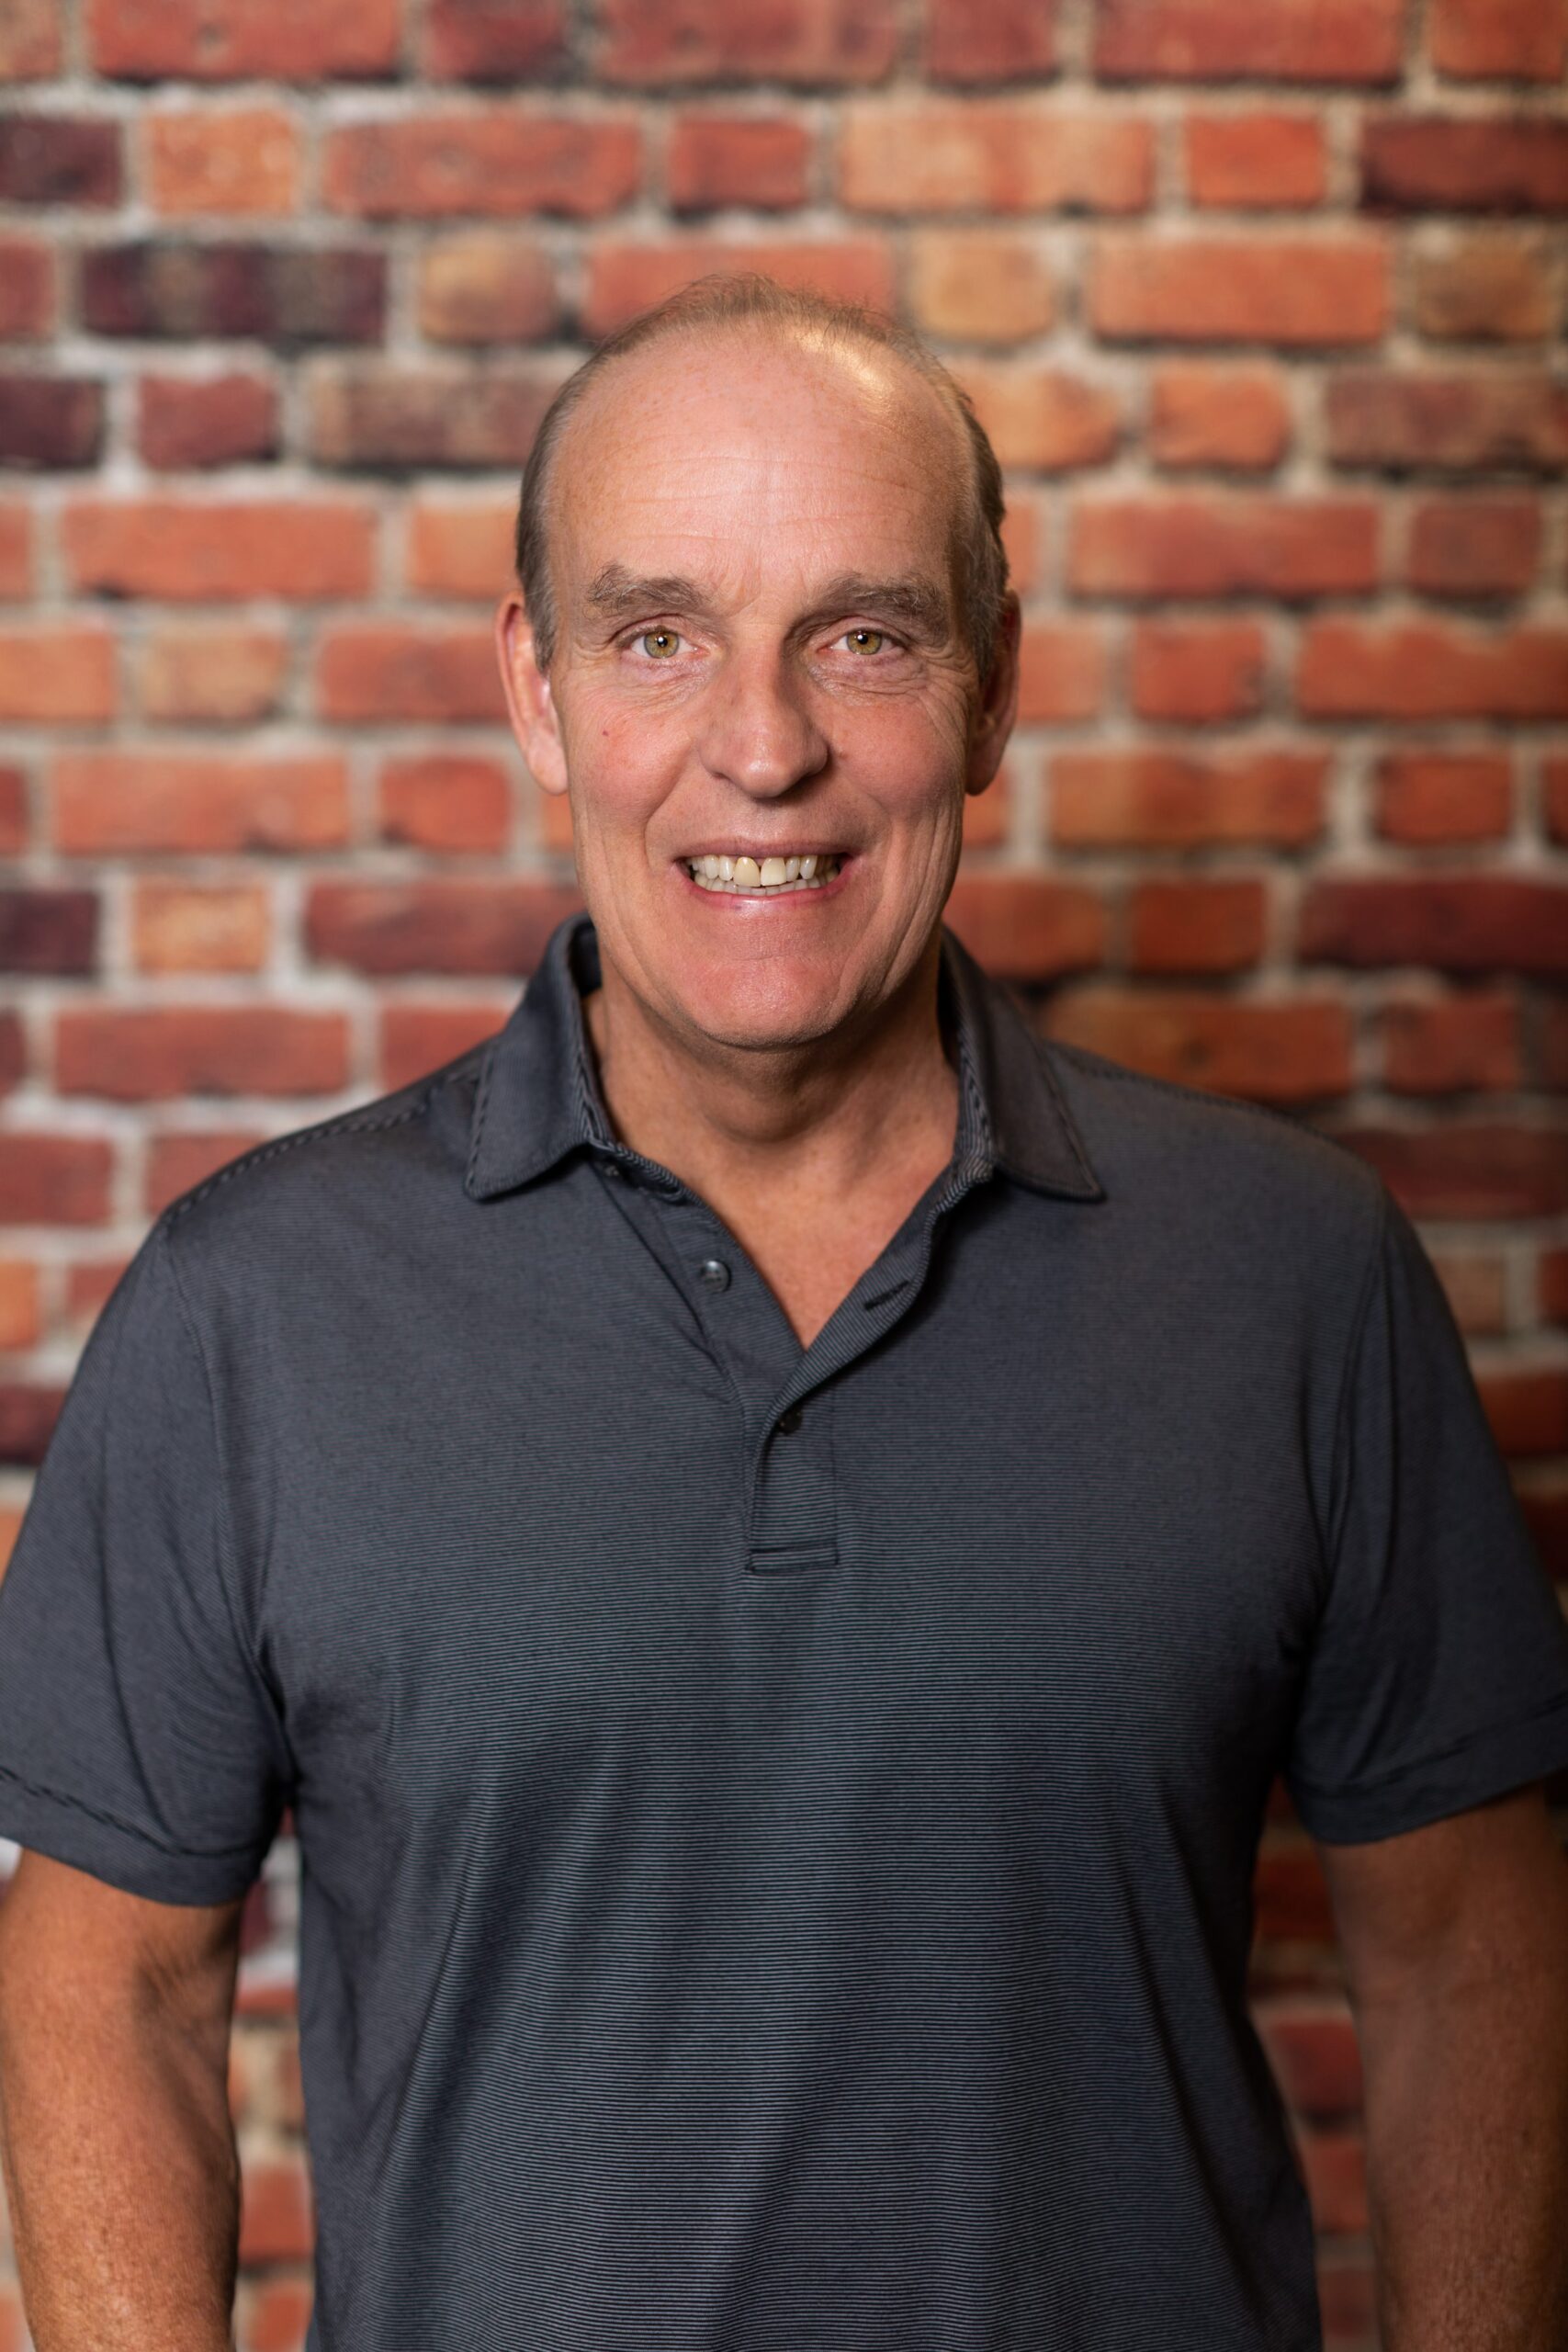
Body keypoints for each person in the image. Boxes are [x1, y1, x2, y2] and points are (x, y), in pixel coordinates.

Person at [0, 275, 1565, 2352]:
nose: (763, 745)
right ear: (537, 689)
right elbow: (104, 1972)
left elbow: (1471, 1944)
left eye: (866, 634)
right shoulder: (252, 1305)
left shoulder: (1294, 1271)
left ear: (991, 688)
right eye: (658, 635)